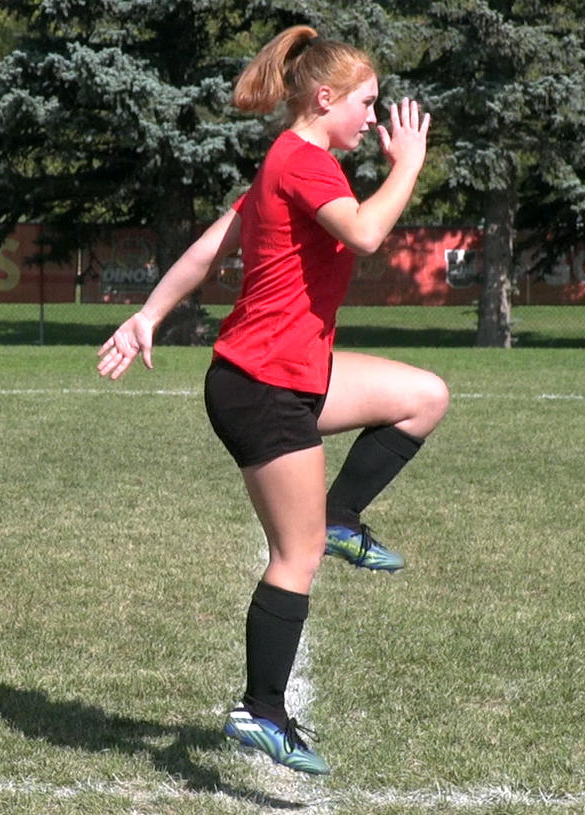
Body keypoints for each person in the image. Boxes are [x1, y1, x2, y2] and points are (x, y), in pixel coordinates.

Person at [96, 25, 449, 775]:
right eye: (366, 103)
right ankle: (261, 709)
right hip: (264, 385)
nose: (373, 118)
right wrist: (408, 165)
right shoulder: (305, 162)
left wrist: (147, 315)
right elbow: (364, 233)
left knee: (423, 397)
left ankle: (344, 514)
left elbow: (206, 248)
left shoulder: (282, 163)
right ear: (325, 100)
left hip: (287, 372)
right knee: (296, 554)